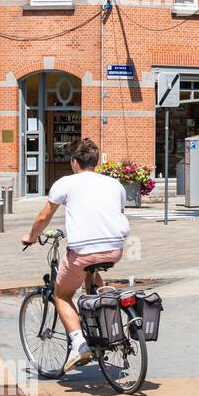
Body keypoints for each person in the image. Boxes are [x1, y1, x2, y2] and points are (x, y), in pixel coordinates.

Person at [21, 138, 130, 372]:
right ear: (96, 161)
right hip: (115, 249)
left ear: (74, 162)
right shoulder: (115, 184)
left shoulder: (65, 183)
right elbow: (115, 213)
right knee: (92, 270)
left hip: (83, 252)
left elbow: (43, 217)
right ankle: (99, 312)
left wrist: (30, 236)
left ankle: (79, 344)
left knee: (62, 294)